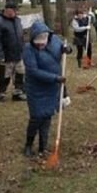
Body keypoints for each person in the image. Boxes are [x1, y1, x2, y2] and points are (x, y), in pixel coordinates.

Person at [21, 21, 72, 156]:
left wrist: (67, 49)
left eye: (42, 42)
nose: (40, 45)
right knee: (36, 117)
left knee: (47, 116)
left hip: (52, 88)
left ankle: (43, 147)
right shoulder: (28, 49)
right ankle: (28, 145)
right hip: (36, 88)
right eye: (38, 43)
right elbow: (33, 71)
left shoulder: (54, 40)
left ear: (47, 37)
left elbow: (63, 47)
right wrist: (55, 78)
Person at [0, 2, 27, 101]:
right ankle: (1, 93)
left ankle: (18, 93)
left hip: (18, 54)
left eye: (16, 10)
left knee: (20, 73)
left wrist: (23, 50)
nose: (16, 12)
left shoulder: (18, 20)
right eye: (14, 10)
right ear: (7, 10)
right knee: (4, 75)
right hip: (6, 55)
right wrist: (0, 55)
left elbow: (21, 37)